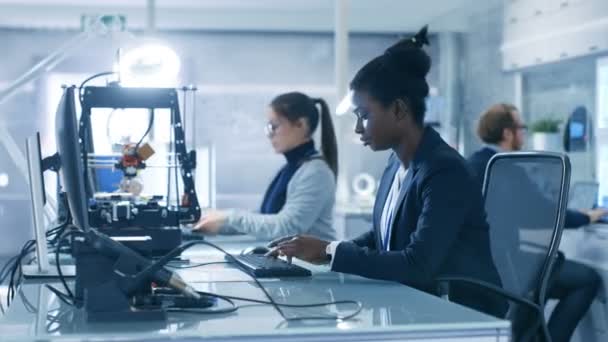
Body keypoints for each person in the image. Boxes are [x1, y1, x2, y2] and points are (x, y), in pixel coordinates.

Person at [268, 26, 507, 318]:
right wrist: (323, 251)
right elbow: (384, 235)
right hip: (416, 303)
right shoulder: (396, 163)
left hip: (461, 311)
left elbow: (418, 264)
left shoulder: (445, 169)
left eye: (364, 115)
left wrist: (330, 252)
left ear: (398, 110)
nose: (357, 128)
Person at [468, 103, 603, 342]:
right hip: (511, 272)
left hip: (483, 272)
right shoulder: (508, 167)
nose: (524, 133)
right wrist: (588, 216)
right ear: (508, 133)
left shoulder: (473, 164)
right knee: (586, 279)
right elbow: (548, 215)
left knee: (539, 286)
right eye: (522, 127)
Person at [193, 92, 338, 241]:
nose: (269, 134)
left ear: (301, 124)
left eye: (274, 126)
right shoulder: (291, 169)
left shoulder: (316, 172)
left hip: (313, 264)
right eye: (268, 127)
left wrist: (229, 217)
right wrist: (218, 221)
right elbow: (265, 218)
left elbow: (287, 227)